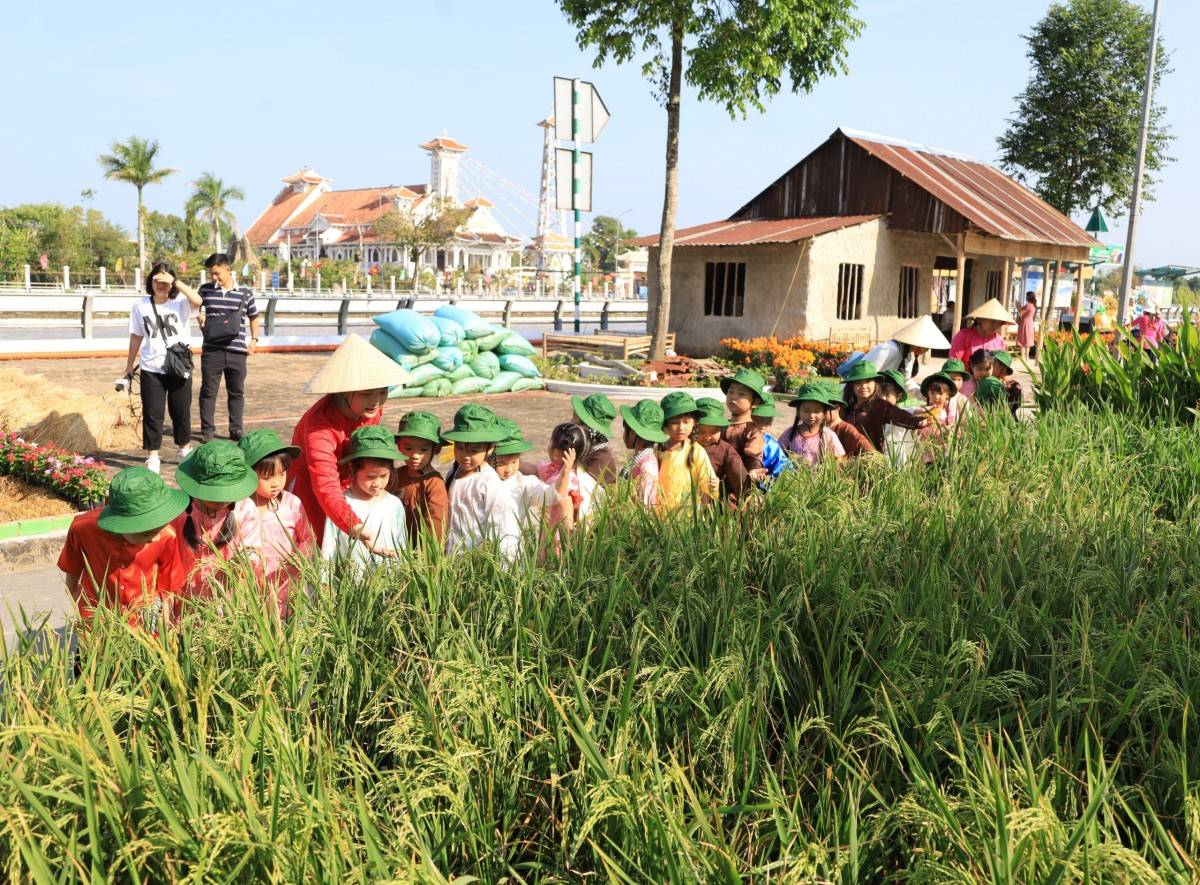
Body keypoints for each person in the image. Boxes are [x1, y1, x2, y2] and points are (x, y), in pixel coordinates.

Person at [289, 334, 409, 546]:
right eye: (367, 394)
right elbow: (325, 485)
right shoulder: (320, 427)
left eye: (383, 392)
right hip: (312, 492)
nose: (376, 401)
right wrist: (354, 524)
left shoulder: (371, 410)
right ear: (344, 392)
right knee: (319, 548)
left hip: (352, 484)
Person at [58, 466, 188, 631]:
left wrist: (166, 615)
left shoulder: (167, 535)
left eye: (158, 529)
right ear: (122, 523)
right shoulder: (82, 529)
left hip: (143, 617)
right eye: (146, 534)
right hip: (99, 614)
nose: (155, 537)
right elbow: (72, 566)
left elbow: (169, 583)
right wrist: (75, 596)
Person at [122, 262, 204, 474]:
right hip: (152, 367)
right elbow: (136, 336)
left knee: (181, 411)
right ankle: (152, 455)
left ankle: (183, 448)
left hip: (178, 366)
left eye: (165, 281)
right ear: (150, 281)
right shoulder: (141, 306)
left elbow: (198, 300)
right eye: (157, 280)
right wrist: (129, 364)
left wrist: (175, 282)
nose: (161, 284)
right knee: (153, 413)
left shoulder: (180, 303)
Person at [235, 429, 315, 617]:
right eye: (267, 477)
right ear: (247, 474)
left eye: (282, 474)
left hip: (288, 584)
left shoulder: (292, 504)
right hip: (250, 588)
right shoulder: (238, 509)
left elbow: (309, 539)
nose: (276, 483)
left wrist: (299, 558)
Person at [174, 440, 259, 601]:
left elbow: (252, 551)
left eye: (229, 493)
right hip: (186, 600)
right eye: (217, 494)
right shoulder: (179, 512)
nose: (224, 499)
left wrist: (240, 565)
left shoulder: (245, 509)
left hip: (230, 601)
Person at [320, 426, 408, 567]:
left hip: (388, 581)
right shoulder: (341, 505)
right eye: (370, 477)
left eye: (384, 476)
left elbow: (401, 544)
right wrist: (325, 580)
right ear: (352, 468)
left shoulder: (394, 504)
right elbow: (329, 546)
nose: (377, 483)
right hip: (350, 581)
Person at [442, 404, 521, 559]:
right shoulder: (453, 473)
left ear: (490, 448)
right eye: (460, 448)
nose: (465, 456)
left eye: (474, 451)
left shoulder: (488, 481)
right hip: (451, 555)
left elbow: (499, 524)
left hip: (475, 558)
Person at [198, 251, 261, 443]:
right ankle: (207, 431)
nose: (214, 277)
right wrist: (199, 318)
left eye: (217, 273)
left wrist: (254, 340)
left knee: (237, 392)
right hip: (212, 350)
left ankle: (236, 429)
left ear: (228, 269)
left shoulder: (245, 294)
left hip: (237, 351)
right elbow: (193, 306)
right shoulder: (205, 290)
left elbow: (254, 317)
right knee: (209, 391)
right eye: (212, 274)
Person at [389, 411, 449, 547]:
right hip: (393, 549)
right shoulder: (396, 475)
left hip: (419, 555)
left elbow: (436, 523)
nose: (415, 455)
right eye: (408, 448)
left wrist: (426, 557)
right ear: (399, 446)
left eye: (423, 449)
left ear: (436, 449)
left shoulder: (434, 483)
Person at [493, 418, 566, 529]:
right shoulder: (481, 482)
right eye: (501, 463)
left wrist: (565, 474)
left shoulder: (523, 483)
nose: (509, 469)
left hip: (513, 544)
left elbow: (551, 496)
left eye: (514, 462)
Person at [841, 361, 927, 452]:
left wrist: (919, 421)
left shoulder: (880, 406)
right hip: (847, 458)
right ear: (852, 386)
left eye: (868, 381)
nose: (863, 386)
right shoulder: (847, 407)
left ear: (875, 384)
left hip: (870, 458)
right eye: (858, 383)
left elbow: (899, 415)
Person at [657, 392, 719, 511]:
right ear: (665, 424)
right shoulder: (659, 450)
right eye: (674, 422)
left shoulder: (696, 450)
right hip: (659, 513)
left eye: (686, 422)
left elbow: (706, 481)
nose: (681, 428)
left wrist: (713, 486)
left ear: (694, 422)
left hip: (687, 514)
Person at [852, 315, 950, 380]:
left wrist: (924, 393)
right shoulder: (890, 351)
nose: (926, 351)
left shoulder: (907, 356)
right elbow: (867, 375)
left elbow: (906, 381)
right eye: (926, 347)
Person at [694, 397, 748, 504]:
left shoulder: (725, 450)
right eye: (701, 431)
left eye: (714, 431)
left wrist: (747, 496)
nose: (707, 437)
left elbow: (738, 475)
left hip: (711, 503)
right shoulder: (686, 446)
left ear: (721, 429)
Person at [538, 423, 590, 532]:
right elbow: (533, 469)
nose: (548, 445)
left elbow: (562, 499)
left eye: (550, 442)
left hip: (557, 532)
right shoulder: (557, 469)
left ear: (556, 453)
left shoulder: (567, 480)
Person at [779, 384, 845, 466]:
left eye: (817, 411)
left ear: (824, 413)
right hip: (792, 477)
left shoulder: (828, 435)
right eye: (806, 411)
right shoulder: (789, 433)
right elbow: (777, 455)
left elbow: (839, 459)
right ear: (798, 412)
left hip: (818, 478)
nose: (811, 415)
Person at [618, 399, 667, 509]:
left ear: (633, 434)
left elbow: (645, 507)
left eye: (625, 430)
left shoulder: (647, 466)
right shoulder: (641, 458)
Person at [720, 368, 767, 477]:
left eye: (741, 394)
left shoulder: (752, 431)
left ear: (755, 402)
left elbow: (753, 456)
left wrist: (754, 471)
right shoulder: (722, 426)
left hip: (740, 484)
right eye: (731, 391)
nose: (733, 397)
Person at [569, 394, 619, 485]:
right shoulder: (588, 450)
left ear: (586, 427)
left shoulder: (600, 460)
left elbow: (576, 487)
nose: (570, 422)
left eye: (574, 418)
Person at [818, 382, 876, 458]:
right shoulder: (817, 428)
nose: (818, 414)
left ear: (836, 407)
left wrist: (845, 463)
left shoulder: (847, 430)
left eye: (822, 410)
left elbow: (872, 454)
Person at [949, 298, 1009, 364]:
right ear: (980, 319)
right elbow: (953, 365)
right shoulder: (963, 336)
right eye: (992, 321)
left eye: (999, 322)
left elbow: (1001, 369)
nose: (995, 325)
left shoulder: (999, 341)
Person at [749, 397, 793, 485]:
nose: (762, 427)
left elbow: (783, 465)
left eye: (767, 422)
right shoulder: (735, 436)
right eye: (757, 421)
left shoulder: (770, 444)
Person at [1016, 292, 1037, 359]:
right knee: (1028, 339)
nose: (1026, 297)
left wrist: (1017, 305)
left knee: (1022, 339)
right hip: (1030, 323)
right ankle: (1027, 356)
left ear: (1029, 297)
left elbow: (1020, 311)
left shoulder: (1028, 305)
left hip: (1025, 323)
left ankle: (1022, 356)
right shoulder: (1033, 305)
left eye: (1026, 296)